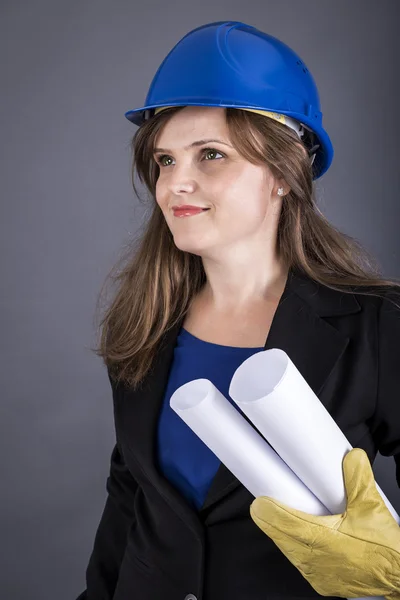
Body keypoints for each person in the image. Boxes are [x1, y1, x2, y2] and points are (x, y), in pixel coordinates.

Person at [76, 21, 400, 600]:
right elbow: (131, 495)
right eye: (165, 160)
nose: (177, 182)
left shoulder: (375, 323)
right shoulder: (146, 319)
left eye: (211, 155)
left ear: (282, 174)